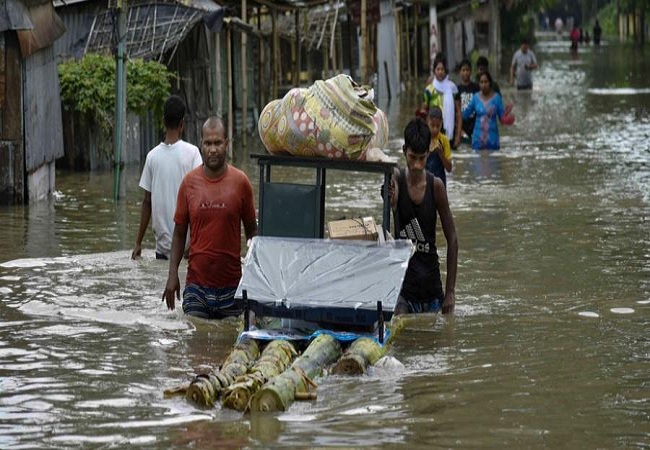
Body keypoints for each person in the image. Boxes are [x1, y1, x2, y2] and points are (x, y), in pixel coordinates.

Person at [162, 116, 258, 319]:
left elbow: (252, 232)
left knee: (229, 346)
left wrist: (255, 274)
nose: (212, 149)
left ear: (226, 144)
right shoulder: (189, 183)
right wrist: (172, 276)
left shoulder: (241, 182)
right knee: (195, 343)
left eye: (217, 143)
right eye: (208, 143)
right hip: (197, 287)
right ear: (201, 145)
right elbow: (179, 233)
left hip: (233, 288)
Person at [389, 118, 457, 315]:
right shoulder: (397, 179)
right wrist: (391, 203)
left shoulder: (436, 187)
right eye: (412, 157)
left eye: (422, 158)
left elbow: (452, 238)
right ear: (404, 151)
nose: (417, 165)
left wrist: (450, 292)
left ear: (429, 153)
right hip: (404, 292)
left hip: (433, 292)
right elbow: (388, 201)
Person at [132, 95, 203, 260]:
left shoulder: (152, 157)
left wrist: (138, 243)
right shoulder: (192, 153)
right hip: (187, 249)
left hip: (162, 250)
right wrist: (194, 241)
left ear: (163, 121)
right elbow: (199, 201)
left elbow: (147, 203)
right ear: (182, 124)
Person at [463, 71, 513, 151]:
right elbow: (465, 114)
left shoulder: (497, 98)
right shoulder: (475, 98)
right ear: (479, 84)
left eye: (486, 82)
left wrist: (507, 116)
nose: (484, 85)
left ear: (490, 83)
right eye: (481, 82)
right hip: (477, 141)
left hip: (492, 141)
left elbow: (502, 119)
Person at [421, 53, 462, 149]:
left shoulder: (453, 88)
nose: (440, 72)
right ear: (434, 71)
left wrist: (458, 137)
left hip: (449, 134)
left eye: (442, 69)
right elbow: (423, 112)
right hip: (432, 133)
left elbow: (459, 114)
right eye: (438, 69)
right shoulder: (429, 90)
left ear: (445, 70)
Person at [425, 106, 452, 187]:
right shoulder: (423, 138)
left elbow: (449, 168)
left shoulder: (444, 140)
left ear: (442, 123)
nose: (435, 129)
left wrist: (441, 153)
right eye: (432, 125)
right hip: (424, 182)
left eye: (438, 126)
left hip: (440, 183)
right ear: (427, 121)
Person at [457, 58, 480, 142]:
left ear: (471, 72)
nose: (465, 73)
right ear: (459, 72)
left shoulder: (477, 88)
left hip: (475, 125)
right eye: (463, 70)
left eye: (467, 70)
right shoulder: (456, 89)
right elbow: (455, 111)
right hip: (462, 127)